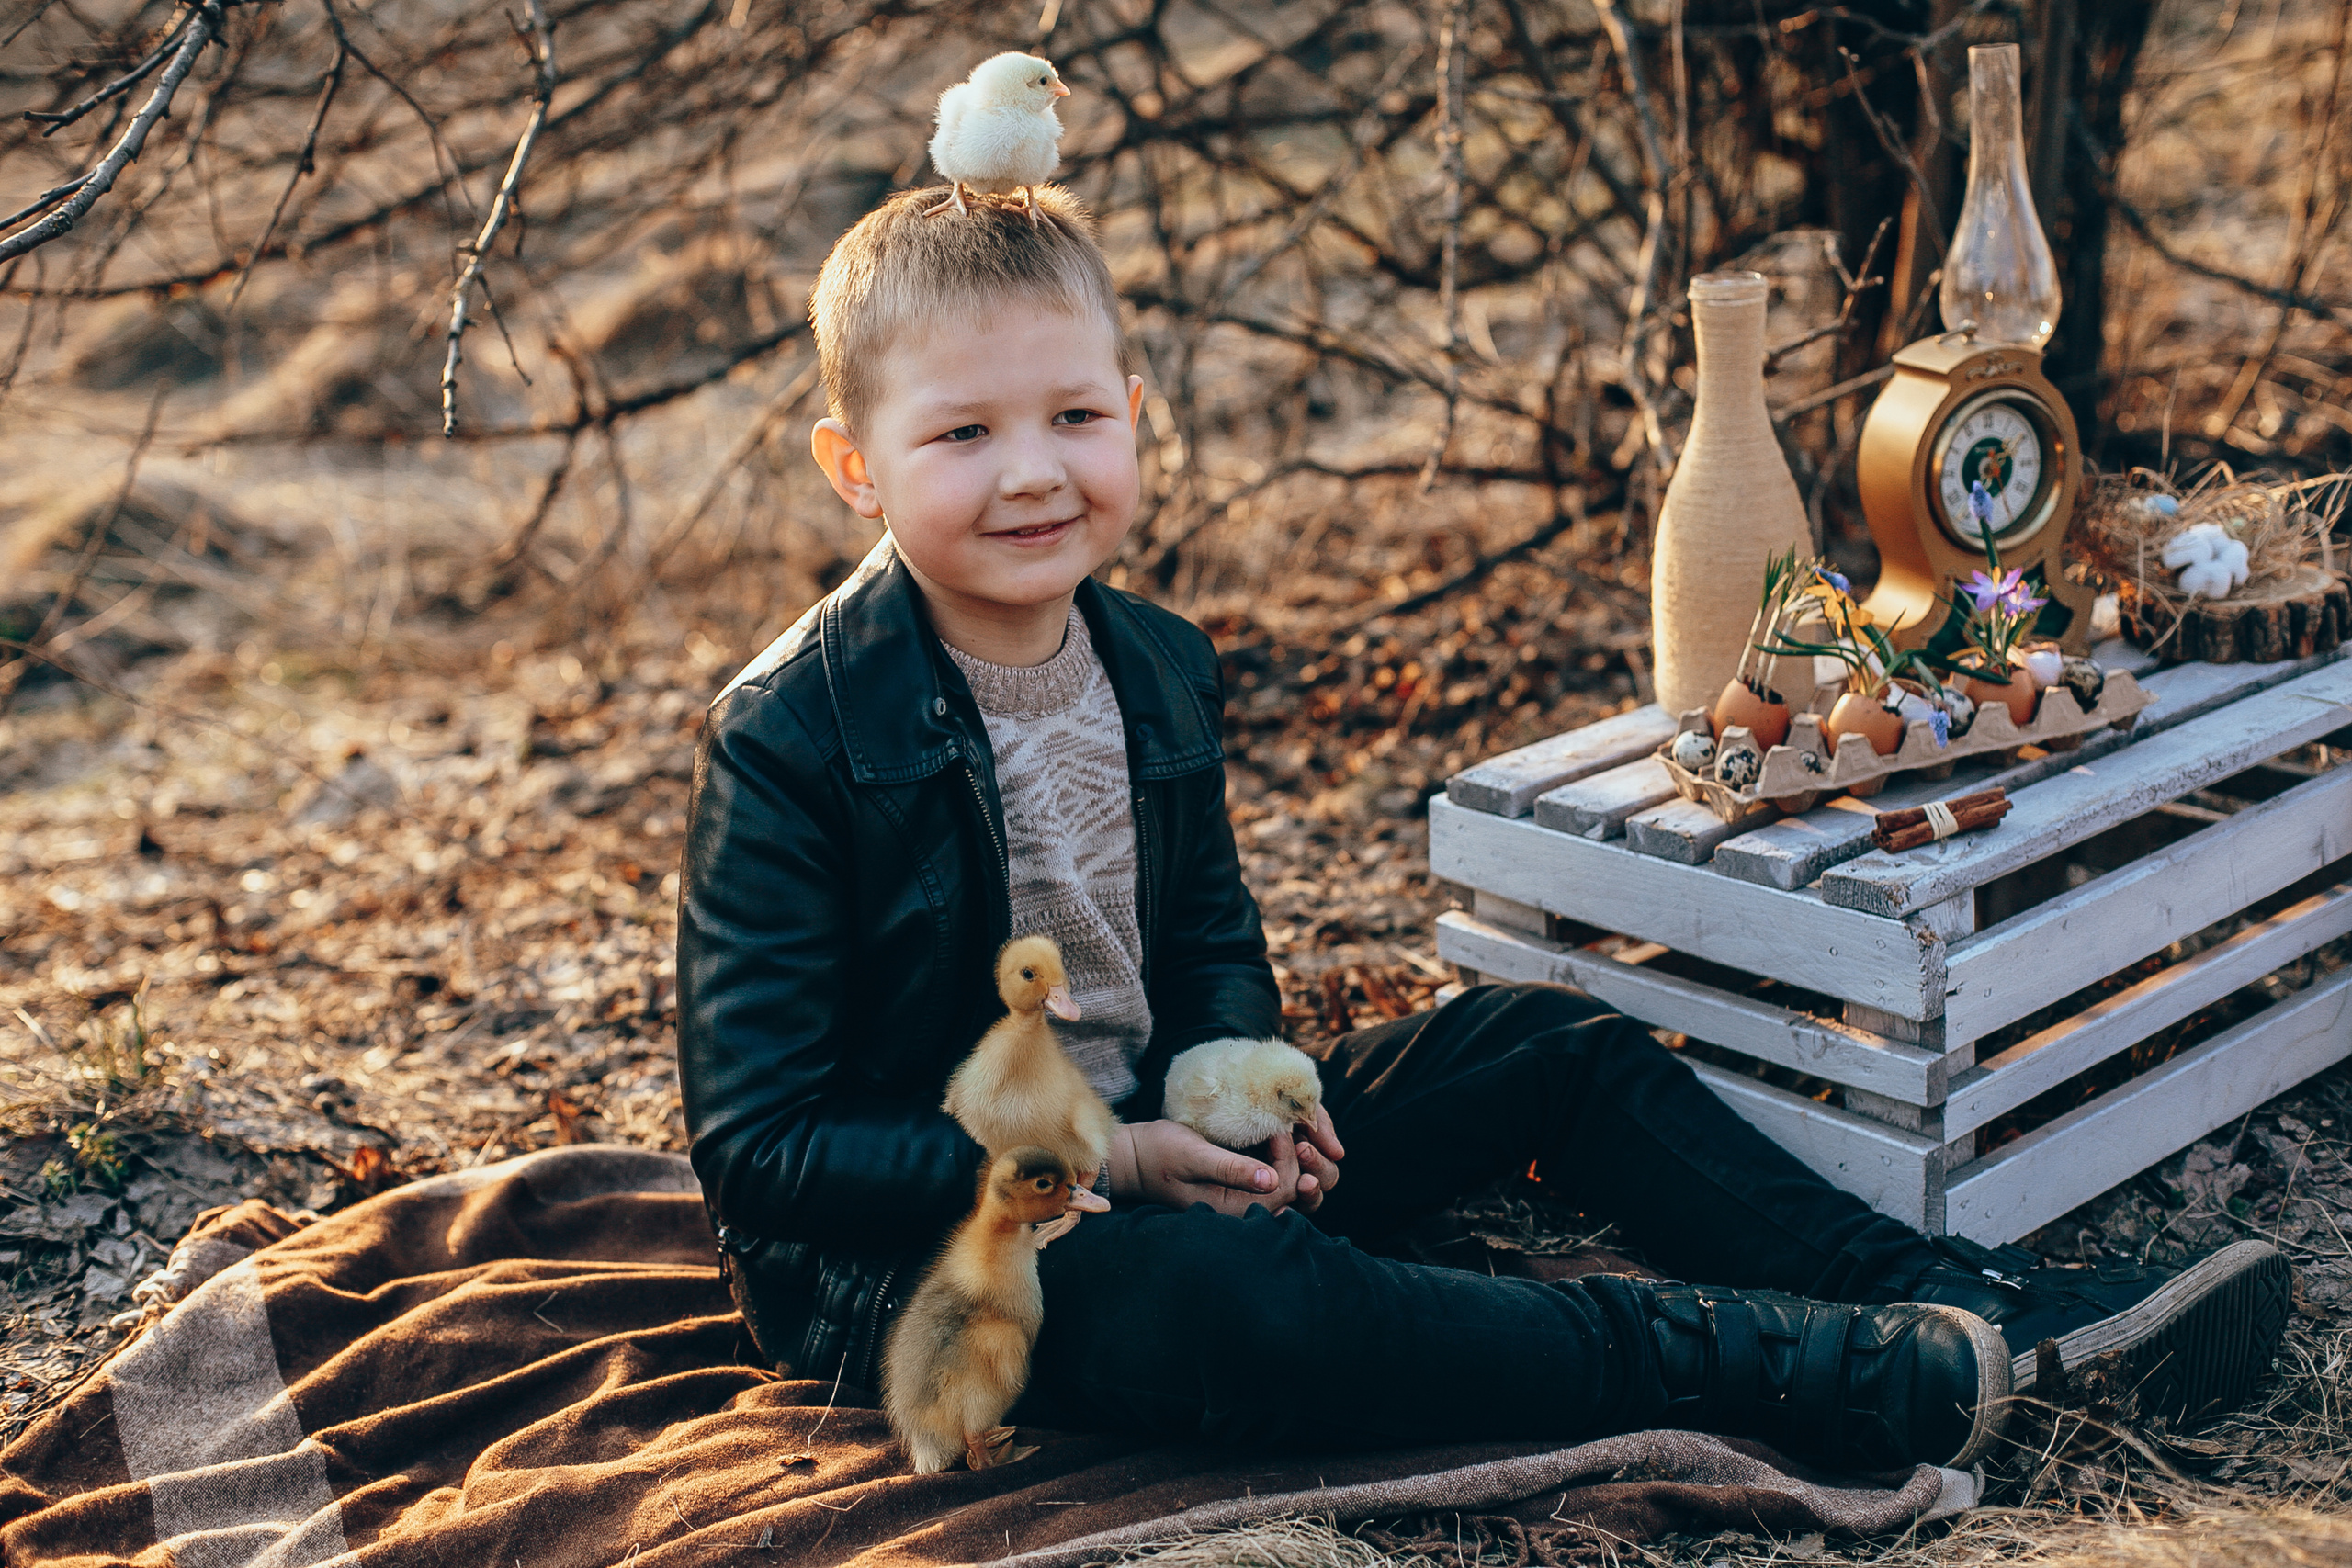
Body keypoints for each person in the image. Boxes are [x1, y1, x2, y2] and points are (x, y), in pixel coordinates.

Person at [675, 185, 2290, 1474]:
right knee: (1240, 1298)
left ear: (1134, 416)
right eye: (963, 434)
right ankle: (1848, 1383)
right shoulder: (795, 734)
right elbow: (764, 1150)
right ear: (855, 470)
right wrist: (1108, 1160)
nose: (1033, 475)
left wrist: (1244, 1096)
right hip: (934, 1254)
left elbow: (1207, 944)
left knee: (1546, 1046)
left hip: (1152, 1144)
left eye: (1073, 418)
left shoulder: (1152, 666)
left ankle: (1973, 1298)